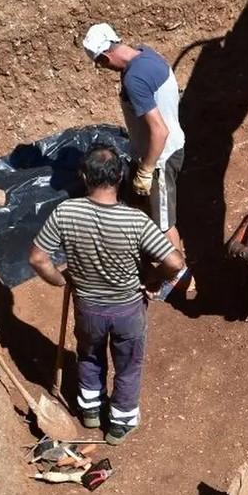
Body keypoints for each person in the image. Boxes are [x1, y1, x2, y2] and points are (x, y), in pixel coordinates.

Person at [28, 143, 185, 445]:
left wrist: (60, 281)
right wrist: (153, 280)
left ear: (84, 175)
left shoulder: (66, 211)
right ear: (120, 177)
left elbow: (37, 258)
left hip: (88, 307)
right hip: (127, 310)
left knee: (89, 355)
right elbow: (175, 262)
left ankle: (90, 410)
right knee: (128, 365)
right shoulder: (135, 221)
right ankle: (119, 425)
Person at [81, 22, 193, 299]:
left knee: (165, 222)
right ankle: (158, 262)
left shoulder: (134, 79)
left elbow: (160, 130)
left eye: (99, 64)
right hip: (151, 152)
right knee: (144, 208)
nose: (102, 68)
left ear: (105, 57)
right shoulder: (146, 54)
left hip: (161, 157)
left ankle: (180, 278)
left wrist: (146, 169)